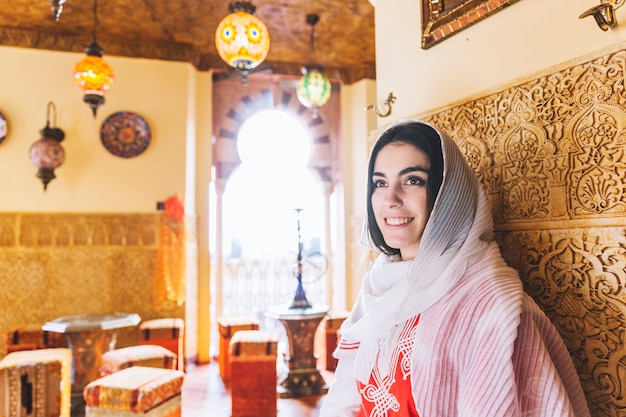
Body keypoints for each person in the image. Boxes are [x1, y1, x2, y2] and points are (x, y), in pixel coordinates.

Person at [319, 120, 590, 417]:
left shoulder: (492, 304)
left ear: (448, 194)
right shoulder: (378, 287)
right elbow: (344, 399)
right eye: (380, 183)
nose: (390, 199)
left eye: (413, 180)